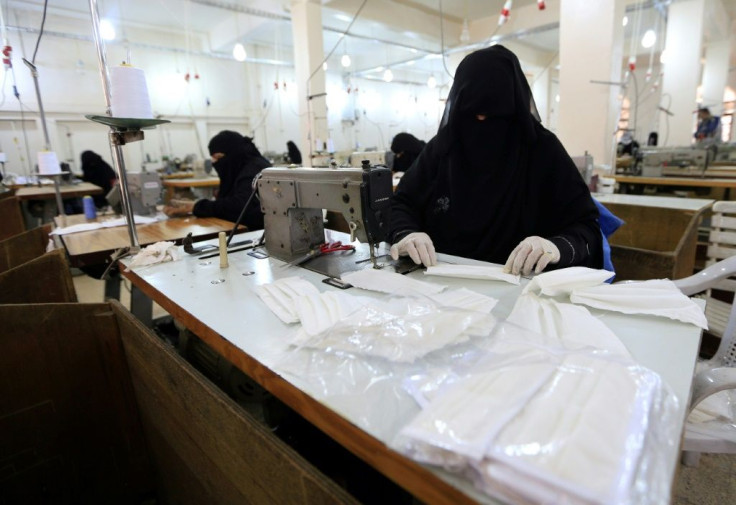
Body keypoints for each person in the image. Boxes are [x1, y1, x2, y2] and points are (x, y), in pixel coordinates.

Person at [388, 45, 602, 276]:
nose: (482, 124)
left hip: (521, 292)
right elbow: (401, 204)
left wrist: (555, 247)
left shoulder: (543, 151)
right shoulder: (444, 148)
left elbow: (586, 229)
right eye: (472, 115)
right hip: (442, 283)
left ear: (515, 109)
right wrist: (407, 233)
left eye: (495, 116)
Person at [163, 130, 270, 229]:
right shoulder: (240, 167)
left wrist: (196, 207)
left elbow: (241, 206)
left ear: (234, 153)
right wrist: (196, 205)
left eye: (218, 158)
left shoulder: (255, 170)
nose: (215, 163)